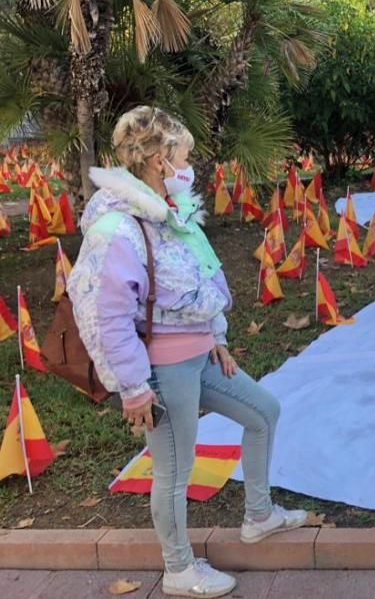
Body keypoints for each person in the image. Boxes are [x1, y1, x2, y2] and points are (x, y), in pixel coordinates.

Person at [69, 106, 306, 598]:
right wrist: (133, 387)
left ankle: (258, 516)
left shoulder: (171, 213)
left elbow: (202, 278)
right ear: (158, 159)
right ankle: (179, 569)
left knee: (264, 411)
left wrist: (216, 337)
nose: (189, 164)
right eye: (183, 154)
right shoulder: (117, 227)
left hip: (200, 355)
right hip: (161, 368)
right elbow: (102, 314)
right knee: (175, 469)